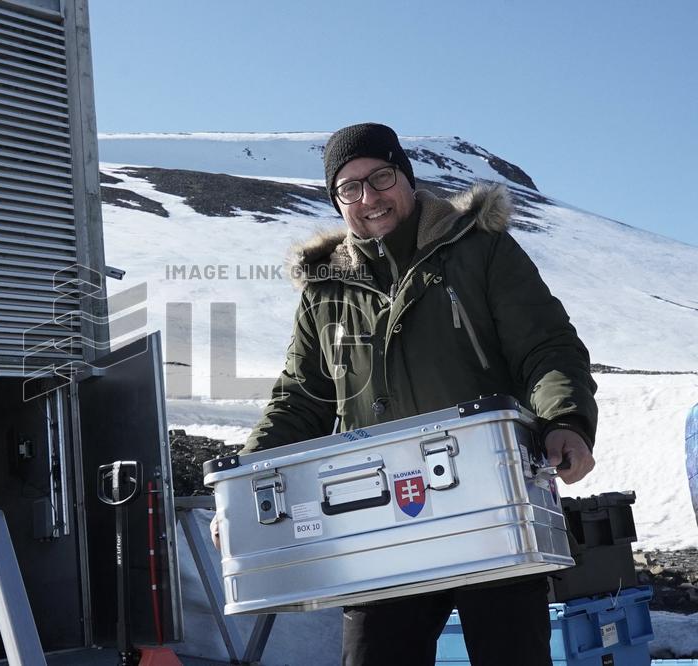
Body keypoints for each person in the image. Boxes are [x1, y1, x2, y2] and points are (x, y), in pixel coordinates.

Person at [232, 123, 599, 666]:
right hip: (378, 528)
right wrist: (243, 488)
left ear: (405, 176)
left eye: (380, 178)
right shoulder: (324, 291)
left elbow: (546, 348)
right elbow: (300, 401)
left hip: (491, 511)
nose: (368, 198)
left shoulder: (480, 251)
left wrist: (564, 419)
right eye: (349, 188)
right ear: (337, 202)